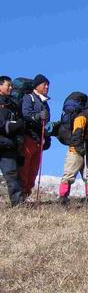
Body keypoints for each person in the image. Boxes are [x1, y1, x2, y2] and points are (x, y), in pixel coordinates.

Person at [57, 95, 88, 206]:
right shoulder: (82, 117)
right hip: (76, 151)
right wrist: (82, 149)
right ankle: (63, 198)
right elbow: (76, 136)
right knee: (69, 175)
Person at [20, 74, 52, 198]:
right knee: (25, 166)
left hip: (39, 140)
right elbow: (26, 114)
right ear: (37, 86)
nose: (47, 87)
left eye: (48, 85)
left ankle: (26, 193)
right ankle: (21, 195)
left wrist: (47, 137)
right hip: (29, 137)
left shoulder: (44, 102)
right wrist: (38, 116)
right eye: (44, 84)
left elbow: (46, 122)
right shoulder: (29, 98)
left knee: (34, 169)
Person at [0, 76, 25, 206]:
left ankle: (18, 205)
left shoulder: (13, 105)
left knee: (12, 176)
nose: (10, 88)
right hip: (6, 142)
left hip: (8, 146)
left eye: (11, 86)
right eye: (8, 85)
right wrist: (12, 126)